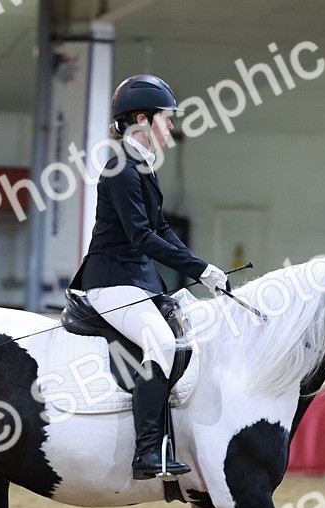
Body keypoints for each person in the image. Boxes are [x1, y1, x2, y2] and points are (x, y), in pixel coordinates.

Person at [68, 74, 229, 480]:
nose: (172, 125)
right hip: (111, 281)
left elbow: (161, 228)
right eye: (166, 118)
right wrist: (197, 269)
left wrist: (203, 267)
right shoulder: (121, 168)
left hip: (136, 281)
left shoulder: (142, 166)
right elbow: (141, 236)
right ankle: (147, 453)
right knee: (162, 342)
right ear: (142, 119)